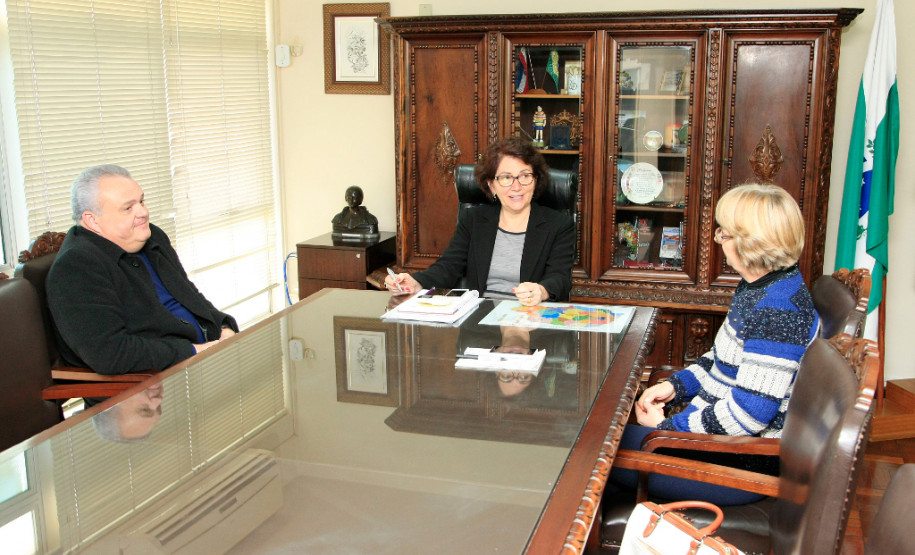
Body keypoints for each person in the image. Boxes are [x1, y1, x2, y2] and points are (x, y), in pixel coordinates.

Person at [610, 183, 819, 505]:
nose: (718, 240)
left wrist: (667, 429)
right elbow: (720, 360)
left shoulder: (778, 309)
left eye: (724, 233)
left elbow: (750, 415)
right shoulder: (760, 286)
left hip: (739, 466)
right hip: (716, 445)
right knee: (600, 437)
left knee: (591, 448)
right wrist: (674, 386)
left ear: (750, 242)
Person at [46, 164, 238, 376]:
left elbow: (189, 295)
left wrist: (224, 327)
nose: (143, 213)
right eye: (128, 208)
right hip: (146, 389)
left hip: (202, 363)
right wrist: (194, 351)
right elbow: (110, 353)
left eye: (141, 201)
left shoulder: (151, 236)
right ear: (92, 220)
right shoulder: (76, 267)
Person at [384, 137, 575, 305]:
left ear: (535, 180)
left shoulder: (558, 225)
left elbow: (560, 277)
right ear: (492, 185)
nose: (516, 186)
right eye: (506, 178)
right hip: (478, 321)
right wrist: (415, 282)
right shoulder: (474, 220)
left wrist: (542, 291)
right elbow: (449, 266)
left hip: (528, 318)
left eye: (525, 176)